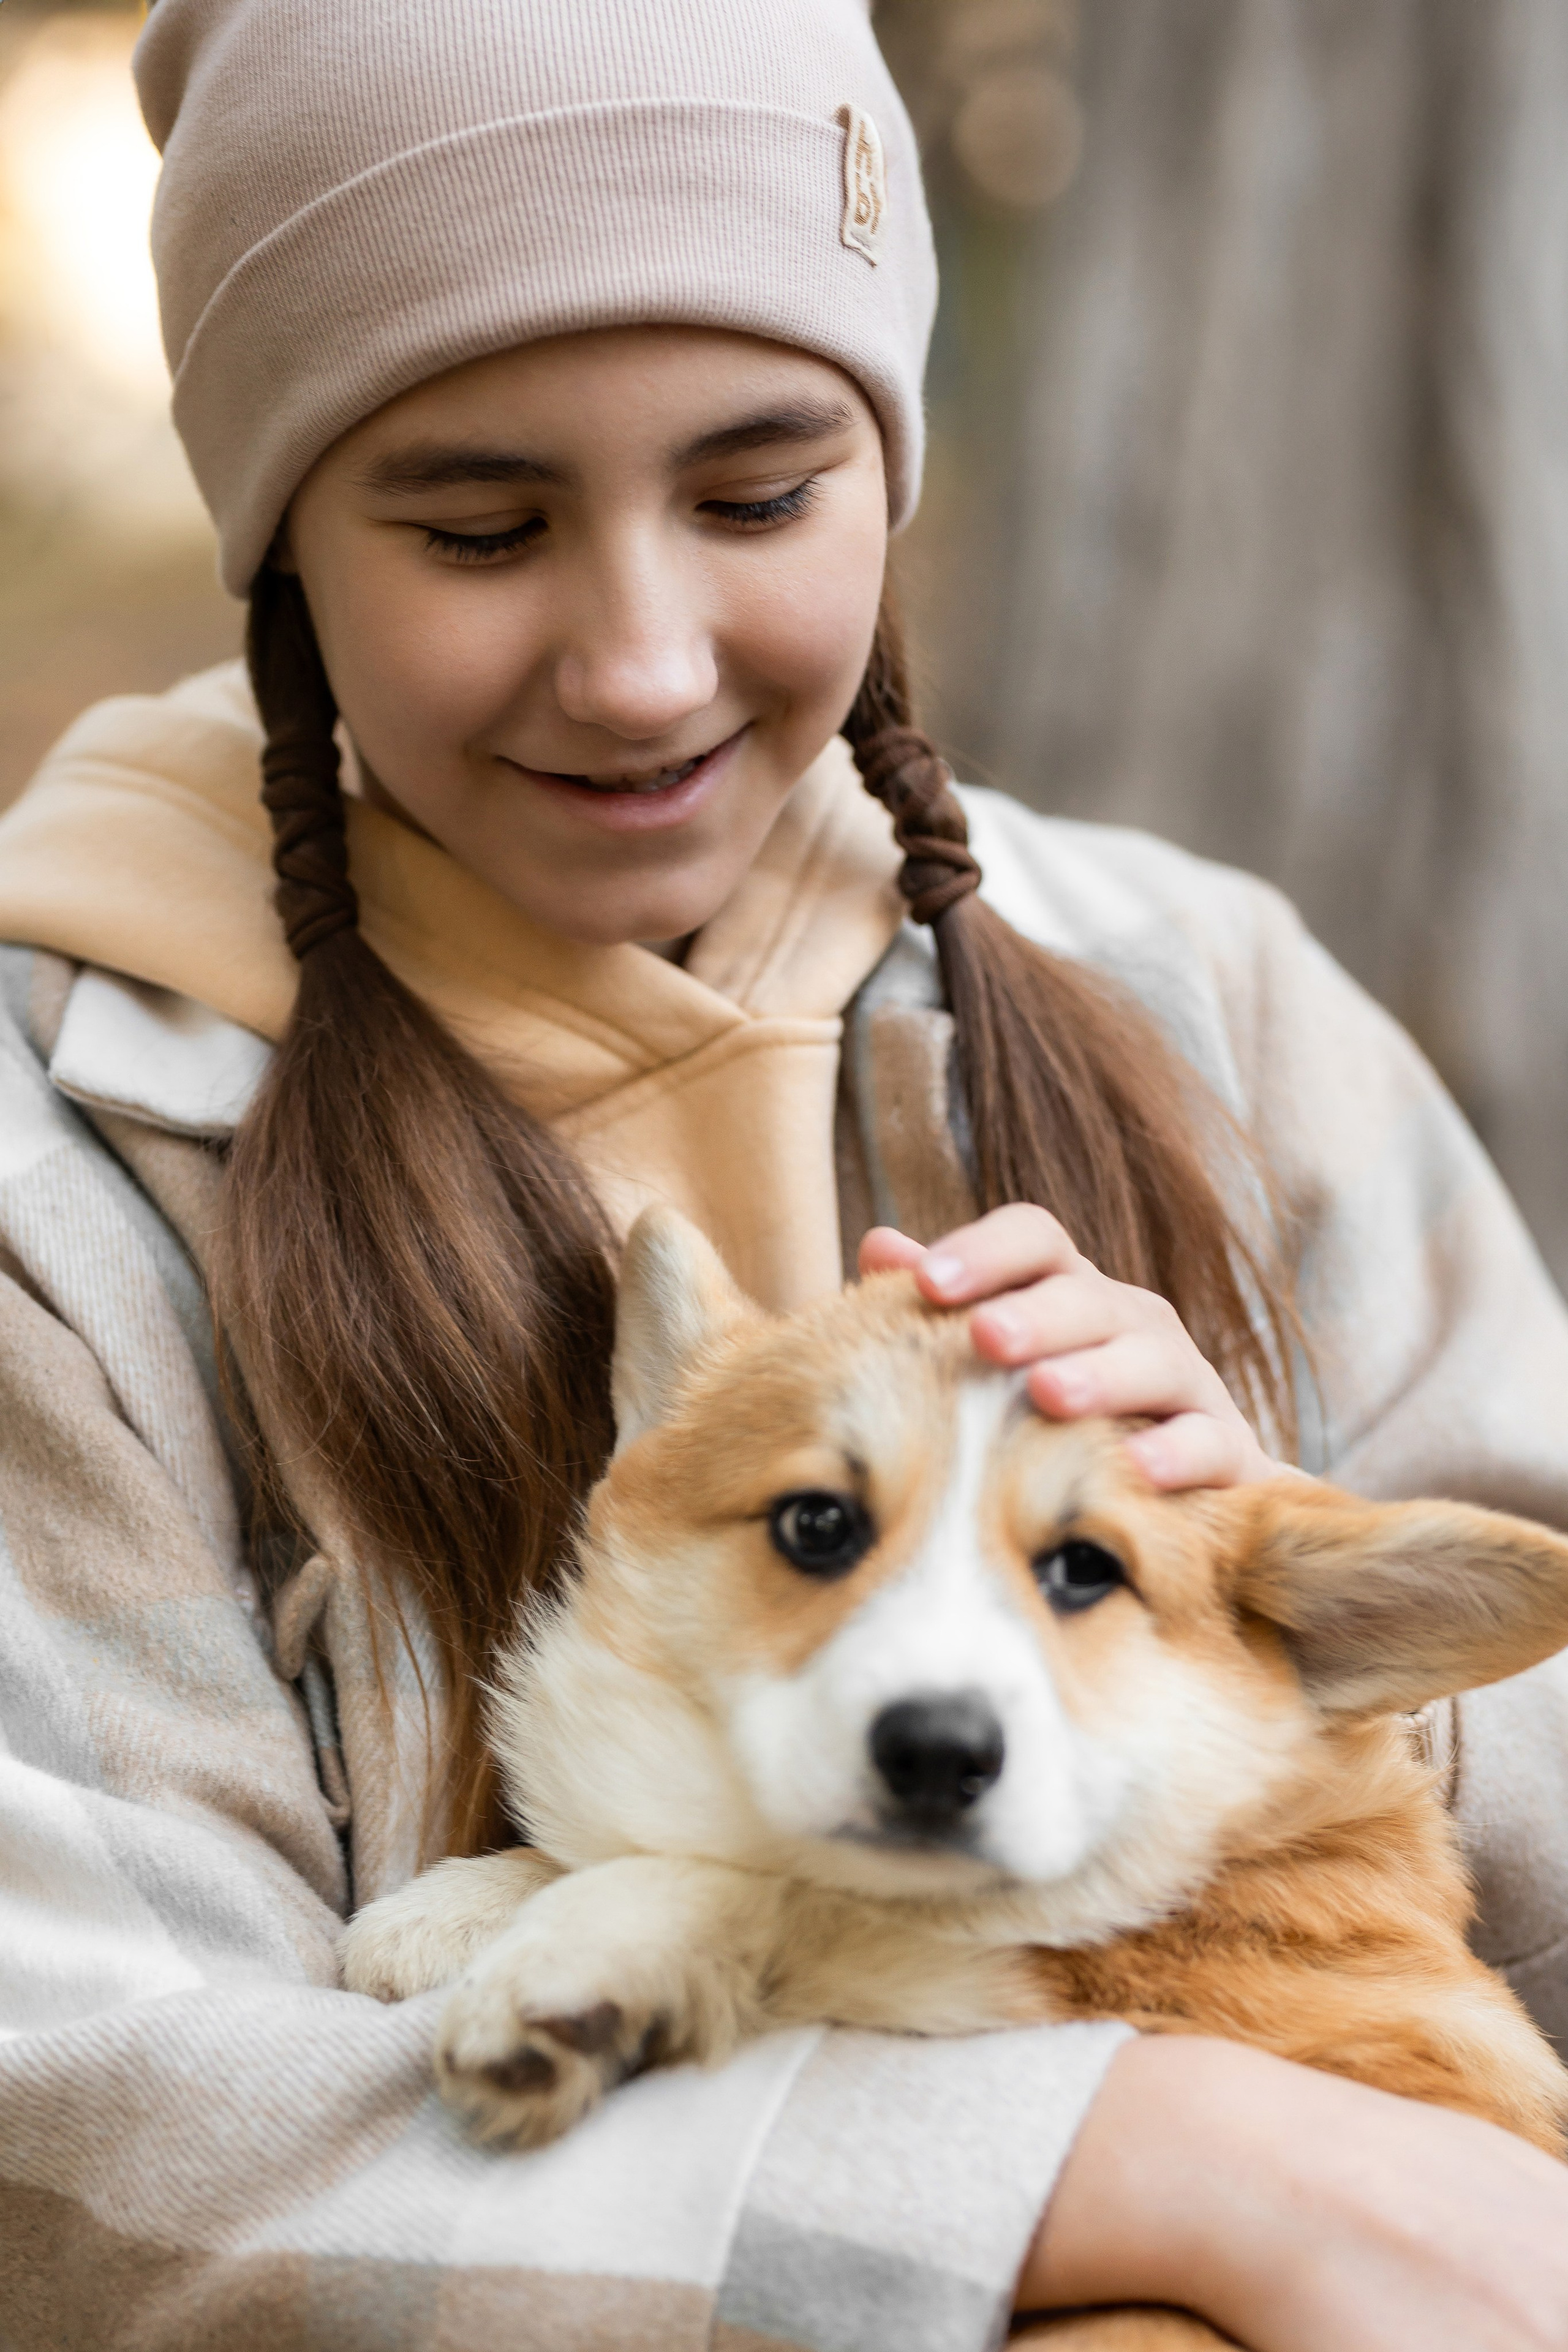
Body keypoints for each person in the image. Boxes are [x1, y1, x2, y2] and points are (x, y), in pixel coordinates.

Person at [0, 1, 1566, 2345]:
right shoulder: (70, 1173)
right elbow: (91, 2125)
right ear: (285, 549)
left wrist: (1259, 1653)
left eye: (755, 496)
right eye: (477, 524)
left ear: (888, 476)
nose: (640, 664)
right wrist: (1154, 2166)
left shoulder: (1205, 995)